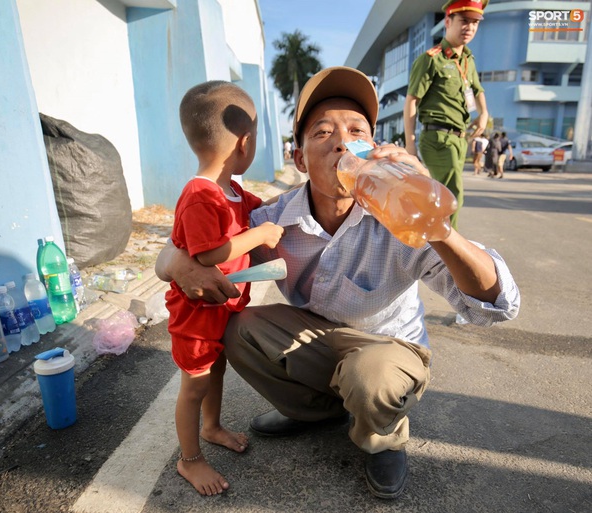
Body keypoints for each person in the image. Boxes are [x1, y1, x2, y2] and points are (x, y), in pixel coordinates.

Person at [156, 66, 520, 500]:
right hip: (323, 339)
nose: (343, 143)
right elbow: (185, 246)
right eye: (323, 132)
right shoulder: (274, 219)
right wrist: (178, 266)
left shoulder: (402, 216)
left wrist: (440, 227)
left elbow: (496, 304)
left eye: (356, 131)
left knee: (372, 376)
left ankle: (382, 437)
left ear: (373, 148)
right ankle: (320, 412)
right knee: (239, 328)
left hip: (388, 349)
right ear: (299, 158)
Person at [168, 80, 284, 496]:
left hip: (221, 310)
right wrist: (260, 236)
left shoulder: (232, 191)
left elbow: (265, 210)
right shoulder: (200, 195)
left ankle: (212, 426)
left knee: (217, 371)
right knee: (193, 385)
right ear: (245, 142)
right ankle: (189, 459)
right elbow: (206, 255)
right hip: (195, 317)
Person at [404, 0, 489, 229]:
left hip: (459, 139)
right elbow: (412, 100)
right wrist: (410, 143)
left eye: (474, 23)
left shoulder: (467, 60)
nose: (469, 27)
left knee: (442, 196)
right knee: (452, 196)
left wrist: (483, 114)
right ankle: (446, 252)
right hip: (438, 138)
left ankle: (431, 244)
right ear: (448, 21)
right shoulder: (431, 59)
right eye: (464, 21)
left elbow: (477, 90)